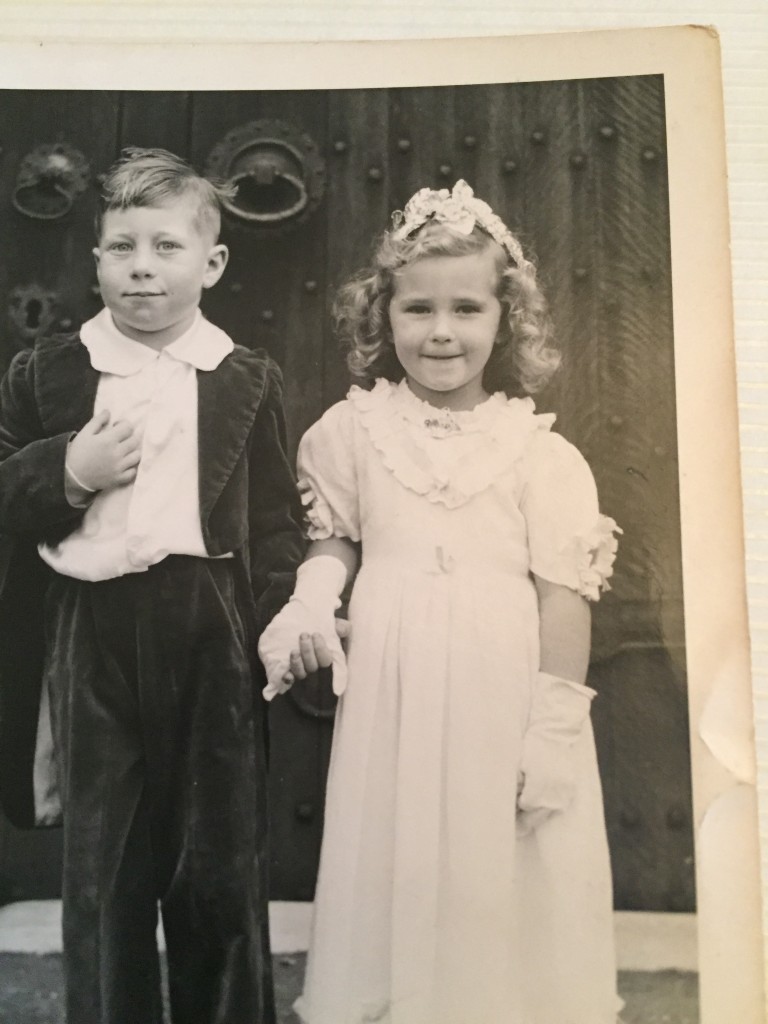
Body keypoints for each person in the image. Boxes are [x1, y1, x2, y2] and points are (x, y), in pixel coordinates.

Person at [259, 180, 623, 1024]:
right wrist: (314, 601)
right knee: (399, 851)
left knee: (506, 859)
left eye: (467, 309)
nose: (442, 333)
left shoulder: (540, 454)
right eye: (418, 310)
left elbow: (563, 597)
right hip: (396, 690)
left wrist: (555, 727)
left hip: (504, 694)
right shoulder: (352, 433)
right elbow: (336, 539)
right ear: (383, 317)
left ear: (507, 320)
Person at [0, 147, 304, 1024]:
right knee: (106, 870)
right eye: (121, 247)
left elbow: (278, 521)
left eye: (166, 248)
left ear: (210, 263)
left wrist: (283, 616)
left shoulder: (244, 377)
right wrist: (68, 468)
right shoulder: (48, 372)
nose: (142, 268)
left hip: (213, 630)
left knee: (218, 867)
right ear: (94, 259)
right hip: (91, 632)